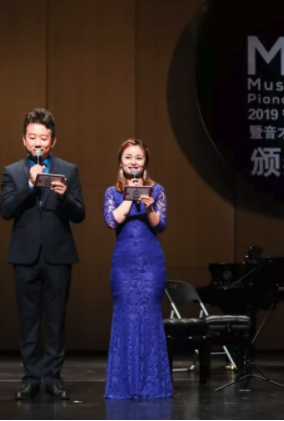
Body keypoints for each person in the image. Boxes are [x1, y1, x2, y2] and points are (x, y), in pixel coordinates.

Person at [0, 108, 85, 400]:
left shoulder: (68, 170)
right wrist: (29, 185)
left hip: (58, 256)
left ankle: (54, 379)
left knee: (55, 321)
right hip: (25, 256)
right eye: (33, 137)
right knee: (28, 321)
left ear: (53, 141)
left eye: (43, 138)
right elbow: (5, 210)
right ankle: (31, 379)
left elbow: (80, 214)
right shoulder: (12, 172)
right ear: (24, 140)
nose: (38, 143)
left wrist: (64, 196)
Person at [103, 138, 173, 399]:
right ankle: (123, 386)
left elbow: (160, 225)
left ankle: (152, 385)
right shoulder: (112, 192)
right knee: (125, 318)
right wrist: (129, 196)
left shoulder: (157, 190)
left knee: (149, 318)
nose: (133, 162)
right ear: (121, 162)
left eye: (138, 158)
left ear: (145, 163)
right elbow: (111, 221)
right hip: (124, 265)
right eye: (128, 157)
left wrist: (149, 206)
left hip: (150, 264)